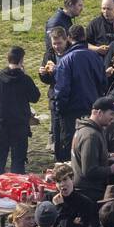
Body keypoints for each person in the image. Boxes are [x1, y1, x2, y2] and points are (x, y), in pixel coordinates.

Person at [0, 46, 41, 177]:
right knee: (18, 163)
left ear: (7, 59)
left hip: (0, 125)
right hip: (20, 126)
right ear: (21, 60)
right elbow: (35, 97)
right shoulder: (25, 79)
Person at [55, 25, 107, 149]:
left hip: (71, 111)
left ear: (69, 38)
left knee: (72, 146)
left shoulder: (66, 60)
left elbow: (62, 89)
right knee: (90, 143)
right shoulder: (96, 57)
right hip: (92, 109)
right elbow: (103, 83)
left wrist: (60, 109)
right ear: (84, 37)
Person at [71, 96, 114, 205]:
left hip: (87, 190)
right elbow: (89, 170)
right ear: (99, 113)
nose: (113, 118)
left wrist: (111, 158)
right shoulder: (91, 136)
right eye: (111, 114)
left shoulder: (90, 130)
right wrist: (112, 169)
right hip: (89, 193)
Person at [40, 26, 72, 161]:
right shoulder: (49, 54)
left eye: (59, 43)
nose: (57, 46)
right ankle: (58, 158)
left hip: (70, 98)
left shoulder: (72, 53)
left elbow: (72, 75)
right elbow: (47, 80)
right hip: (55, 97)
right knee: (56, 129)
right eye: (54, 43)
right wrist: (42, 74)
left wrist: (57, 69)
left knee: (68, 130)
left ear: (66, 40)